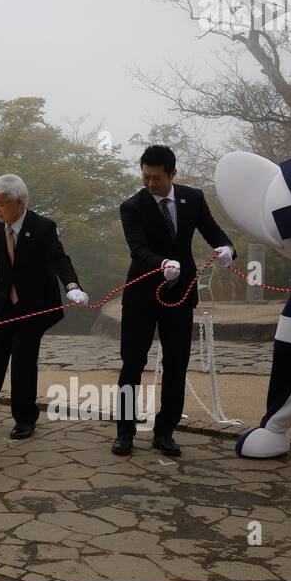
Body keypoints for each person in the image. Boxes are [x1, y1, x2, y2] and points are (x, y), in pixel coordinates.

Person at [113, 145, 234, 458]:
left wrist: (226, 248)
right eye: (146, 177)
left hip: (181, 294)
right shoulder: (132, 206)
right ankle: (124, 432)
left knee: (176, 363)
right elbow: (137, 249)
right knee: (132, 363)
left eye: (157, 178)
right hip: (142, 295)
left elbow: (212, 230)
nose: (150, 183)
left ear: (172, 174)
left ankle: (164, 432)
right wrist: (162, 264)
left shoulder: (192, 198)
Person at [0, 174, 88, 439]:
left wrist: (73, 287)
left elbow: (60, 259)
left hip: (34, 305)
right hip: (4, 303)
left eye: (1, 203)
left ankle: (25, 418)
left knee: (23, 359)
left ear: (20, 202)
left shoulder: (43, 227)